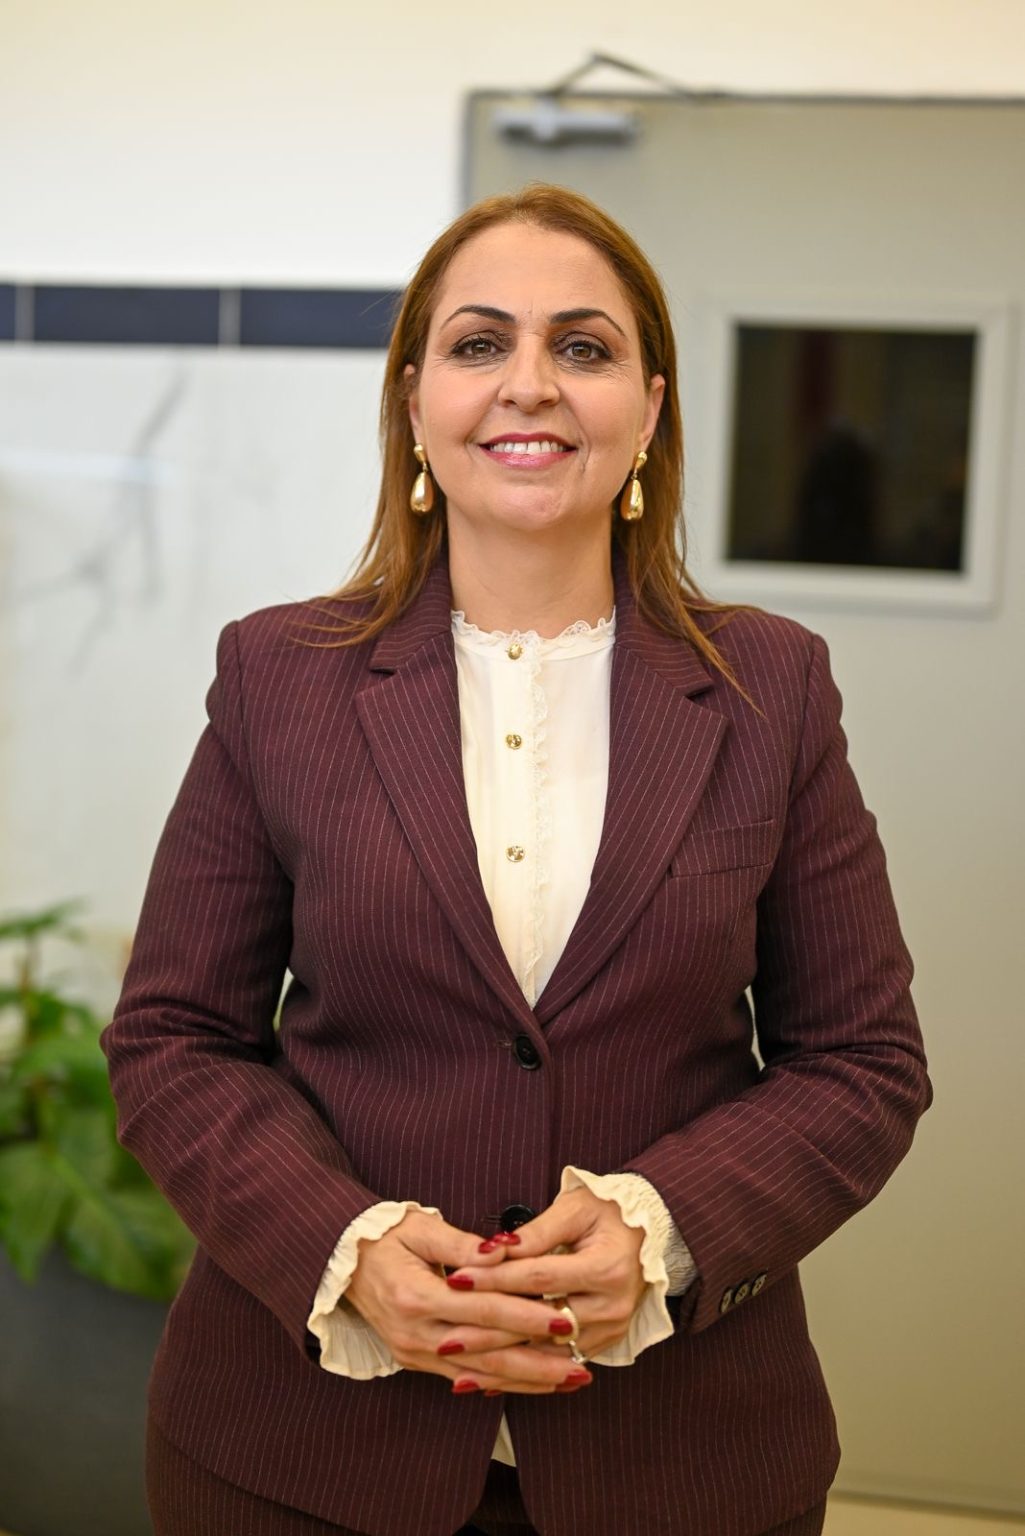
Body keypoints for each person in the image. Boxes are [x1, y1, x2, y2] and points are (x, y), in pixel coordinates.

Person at [102, 184, 931, 1536]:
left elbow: (861, 1061)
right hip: (298, 1456)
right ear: (416, 400)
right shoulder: (278, 675)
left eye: (582, 347)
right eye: (479, 343)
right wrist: (342, 1247)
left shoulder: (770, 688)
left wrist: (663, 1230)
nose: (528, 384)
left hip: (682, 1467)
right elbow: (175, 1037)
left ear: (648, 409)